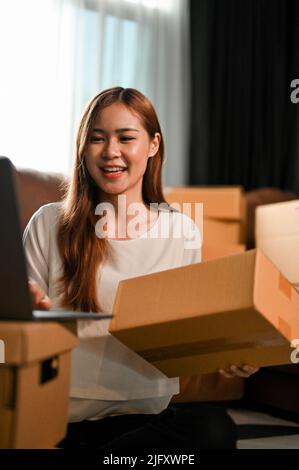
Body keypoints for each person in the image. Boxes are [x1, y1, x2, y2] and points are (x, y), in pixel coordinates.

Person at [23, 87, 258, 452]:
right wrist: (26, 308)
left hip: (144, 423)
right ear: (83, 149)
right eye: (97, 139)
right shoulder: (48, 223)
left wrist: (228, 353)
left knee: (214, 430)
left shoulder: (180, 232)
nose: (111, 151)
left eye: (126, 137)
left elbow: (187, 330)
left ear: (152, 145)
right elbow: (16, 322)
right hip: (59, 417)